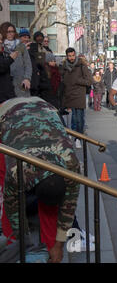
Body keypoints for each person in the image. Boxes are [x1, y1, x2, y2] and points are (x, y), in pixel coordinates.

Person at [0, 97, 81, 263]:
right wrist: (21, 240)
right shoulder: (16, 171)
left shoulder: (71, 165)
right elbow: (11, 206)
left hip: (45, 107)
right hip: (7, 113)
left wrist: (58, 244)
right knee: (4, 181)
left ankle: (48, 245)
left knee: (49, 207)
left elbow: (69, 207)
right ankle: (13, 245)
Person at [60, 48, 93, 149]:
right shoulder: (63, 67)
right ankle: (75, 137)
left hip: (79, 95)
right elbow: (62, 81)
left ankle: (79, 137)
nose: (71, 58)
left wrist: (77, 80)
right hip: (68, 95)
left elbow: (89, 81)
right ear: (66, 56)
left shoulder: (81, 65)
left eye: (73, 56)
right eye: (69, 56)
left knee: (79, 119)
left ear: (75, 55)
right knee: (72, 119)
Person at [0, 22, 33, 97]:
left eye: (13, 31)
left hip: (20, 82)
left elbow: (28, 64)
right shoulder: (1, 46)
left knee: (23, 105)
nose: (11, 34)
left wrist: (27, 78)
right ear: (3, 32)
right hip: (5, 84)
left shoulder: (20, 46)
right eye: (8, 32)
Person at [0, 33, 18, 104]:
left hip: (7, 96)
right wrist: (11, 58)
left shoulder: (3, 54)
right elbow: (2, 67)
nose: (1, 42)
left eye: (1, 39)